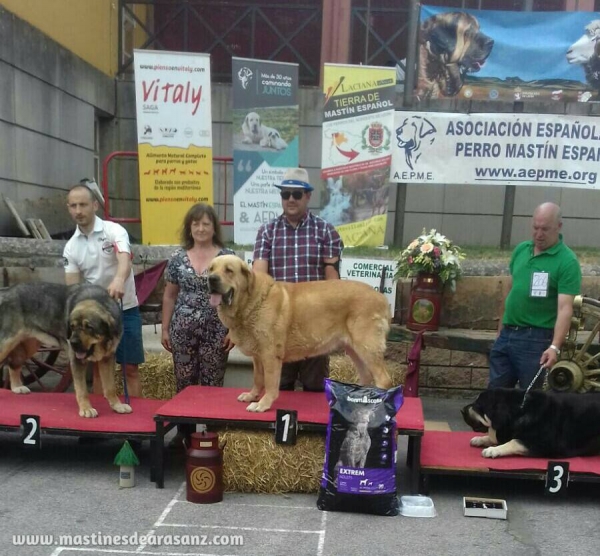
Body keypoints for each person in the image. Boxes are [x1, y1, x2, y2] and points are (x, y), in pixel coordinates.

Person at [253, 167, 343, 392]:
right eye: (285, 194)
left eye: (297, 194)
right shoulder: (267, 231)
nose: (290, 199)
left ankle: (313, 428)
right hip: (278, 326)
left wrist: (333, 321)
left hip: (314, 324)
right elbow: (259, 279)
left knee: (314, 388)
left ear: (308, 196)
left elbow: (332, 282)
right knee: (279, 388)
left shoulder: (326, 231)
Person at [488, 202, 581, 390]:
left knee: (530, 400)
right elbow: (510, 290)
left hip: (536, 339)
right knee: (496, 396)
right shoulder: (522, 249)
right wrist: (500, 328)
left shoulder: (567, 261)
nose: (539, 234)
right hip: (507, 334)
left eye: (545, 229)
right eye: (535, 228)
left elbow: (565, 309)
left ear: (559, 227)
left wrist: (554, 346)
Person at [63, 184, 144, 398]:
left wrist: (118, 280)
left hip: (124, 308)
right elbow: (72, 289)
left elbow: (124, 259)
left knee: (131, 369)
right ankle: (101, 425)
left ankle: (137, 425)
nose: (78, 210)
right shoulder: (71, 247)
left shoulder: (114, 231)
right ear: (68, 208)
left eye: (83, 205)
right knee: (98, 369)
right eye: (73, 206)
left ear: (95, 205)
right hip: (93, 318)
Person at [161, 203, 235, 391]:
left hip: (217, 331)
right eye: (196, 224)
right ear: (189, 227)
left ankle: (212, 422)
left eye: (205, 224)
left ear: (214, 227)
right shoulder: (177, 258)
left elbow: (236, 297)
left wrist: (234, 330)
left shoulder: (228, 258)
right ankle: (186, 422)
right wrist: (164, 329)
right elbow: (170, 295)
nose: (200, 229)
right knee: (184, 385)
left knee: (213, 386)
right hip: (182, 332)